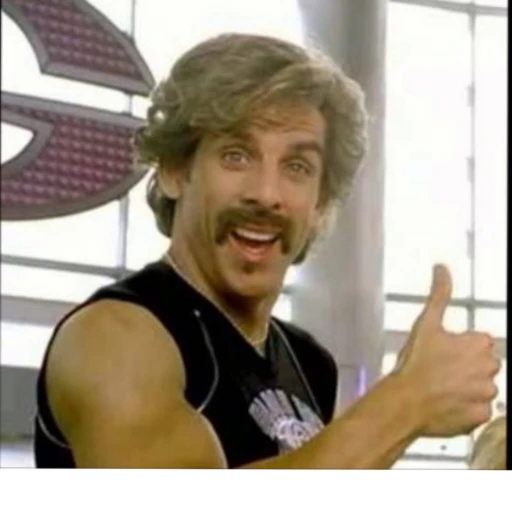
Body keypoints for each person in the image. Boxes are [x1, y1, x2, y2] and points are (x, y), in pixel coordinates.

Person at [33, 33, 501, 470]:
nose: (266, 194)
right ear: (175, 170)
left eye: (297, 166)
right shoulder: (114, 336)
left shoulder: (308, 361)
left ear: (320, 202)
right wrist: (406, 403)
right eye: (236, 155)